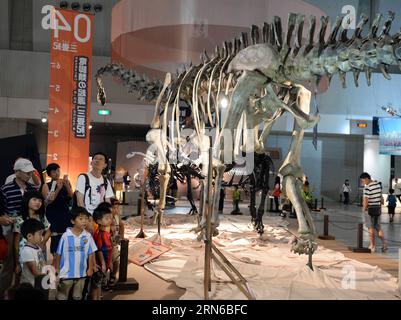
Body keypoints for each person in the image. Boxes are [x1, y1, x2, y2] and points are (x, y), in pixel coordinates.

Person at [0, 158, 37, 299]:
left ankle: (24, 293)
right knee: (10, 262)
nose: (29, 175)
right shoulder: (5, 189)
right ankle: (4, 292)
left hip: (30, 229)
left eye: (30, 172)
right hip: (11, 230)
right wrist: (2, 218)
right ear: (16, 172)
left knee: (29, 262)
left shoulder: (32, 189)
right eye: (26, 172)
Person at [55, 207, 96, 300]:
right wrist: (57, 268)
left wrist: (90, 268)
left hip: (81, 273)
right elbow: (58, 253)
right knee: (62, 295)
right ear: (73, 221)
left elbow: (91, 252)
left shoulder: (88, 236)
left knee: (78, 296)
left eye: (86, 218)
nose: (84, 221)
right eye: (81, 219)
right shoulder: (65, 236)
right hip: (66, 273)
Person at [13, 191, 51, 285]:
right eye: (34, 199)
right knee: (27, 278)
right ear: (27, 200)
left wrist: (43, 242)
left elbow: (49, 230)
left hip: (39, 251)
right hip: (25, 252)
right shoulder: (19, 219)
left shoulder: (41, 217)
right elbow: (16, 243)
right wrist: (17, 263)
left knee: (40, 273)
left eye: (40, 200)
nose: (38, 202)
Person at [41, 163, 73, 262]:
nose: (57, 173)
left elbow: (71, 196)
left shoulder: (65, 182)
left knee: (65, 235)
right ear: (49, 174)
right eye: (54, 171)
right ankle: (55, 256)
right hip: (53, 213)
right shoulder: (46, 185)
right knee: (55, 235)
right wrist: (58, 189)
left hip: (64, 212)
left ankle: (65, 258)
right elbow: (49, 201)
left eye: (58, 170)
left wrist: (67, 185)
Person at [75, 152, 114, 231]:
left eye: (100, 159)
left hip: (100, 219)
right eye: (95, 158)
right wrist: (87, 219)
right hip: (87, 218)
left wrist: (110, 219)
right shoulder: (83, 177)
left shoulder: (105, 181)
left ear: (105, 165)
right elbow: (80, 201)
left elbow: (107, 202)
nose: (97, 161)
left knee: (100, 241)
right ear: (91, 163)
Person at [360, 172, 387, 252]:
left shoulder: (367, 187)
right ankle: (384, 244)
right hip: (377, 208)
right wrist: (381, 203)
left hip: (369, 209)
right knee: (378, 227)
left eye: (363, 181)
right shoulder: (378, 185)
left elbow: (366, 200)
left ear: (366, 179)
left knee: (370, 227)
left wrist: (363, 209)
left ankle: (372, 245)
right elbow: (381, 197)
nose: (363, 182)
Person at [90, 204, 113, 300]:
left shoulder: (106, 233)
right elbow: (98, 249)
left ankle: (99, 297)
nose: (109, 220)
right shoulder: (99, 233)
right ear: (99, 221)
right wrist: (103, 263)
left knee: (99, 282)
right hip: (100, 262)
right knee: (96, 284)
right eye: (106, 218)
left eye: (110, 218)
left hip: (106, 260)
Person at [18, 219, 46, 287]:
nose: (42, 237)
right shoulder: (27, 251)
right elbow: (35, 271)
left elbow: (43, 262)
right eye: (40, 234)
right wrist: (48, 277)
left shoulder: (38, 247)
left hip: (40, 282)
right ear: (29, 236)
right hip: (31, 286)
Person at [109, 198, 124, 287]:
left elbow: (122, 226)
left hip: (114, 242)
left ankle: (113, 274)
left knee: (115, 259)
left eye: (117, 208)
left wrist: (121, 237)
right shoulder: (106, 218)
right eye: (114, 208)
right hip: (106, 242)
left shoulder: (118, 218)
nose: (116, 210)